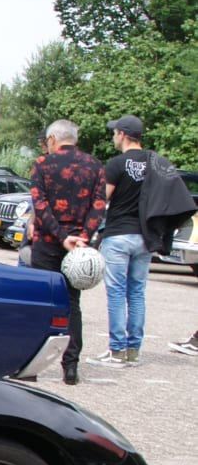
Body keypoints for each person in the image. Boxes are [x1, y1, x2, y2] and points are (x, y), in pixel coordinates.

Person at [29, 119, 106, 384]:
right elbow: (99, 206)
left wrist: (61, 237)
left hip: (49, 241)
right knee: (72, 304)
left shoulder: (42, 164)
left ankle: (32, 364)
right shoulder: (95, 166)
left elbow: (40, 205)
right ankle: (70, 366)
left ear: (52, 139)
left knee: (41, 302)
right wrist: (83, 236)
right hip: (79, 247)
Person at [92, 115, 152, 366]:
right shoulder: (155, 162)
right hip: (145, 235)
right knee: (137, 292)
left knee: (116, 293)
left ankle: (116, 349)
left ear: (123, 134)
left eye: (114, 132)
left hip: (118, 234)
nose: (113, 137)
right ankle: (133, 349)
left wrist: (90, 229)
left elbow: (101, 200)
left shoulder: (116, 164)